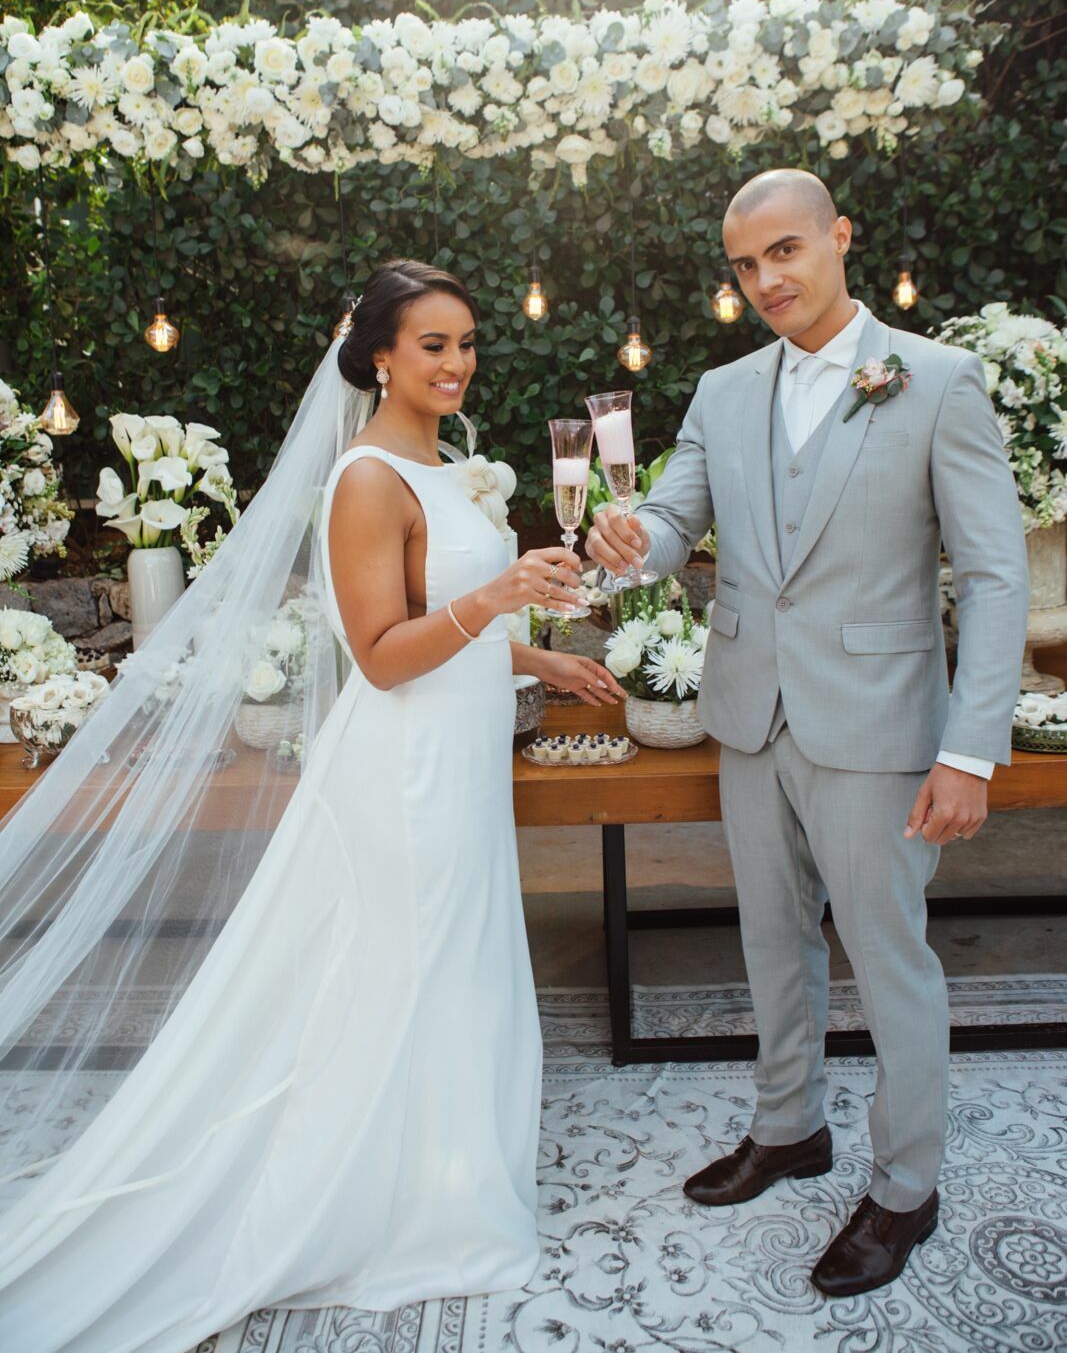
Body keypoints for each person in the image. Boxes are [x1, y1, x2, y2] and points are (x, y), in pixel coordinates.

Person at [0, 259, 625, 1351]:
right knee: (415, 966)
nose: (456, 363)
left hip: (459, 758)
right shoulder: (365, 478)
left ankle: (437, 1170)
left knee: (455, 964)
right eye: (432, 345)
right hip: (406, 771)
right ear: (378, 353)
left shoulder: (439, 461)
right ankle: (392, 1201)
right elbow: (382, 656)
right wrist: (500, 593)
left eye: (467, 342)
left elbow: (447, 625)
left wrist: (536, 658)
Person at [588, 170, 1028, 1296]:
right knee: (770, 943)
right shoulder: (723, 390)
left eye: (785, 250)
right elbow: (671, 521)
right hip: (749, 712)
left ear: (838, 237)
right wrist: (621, 540)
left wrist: (967, 748)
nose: (766, 278)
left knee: (888, 963)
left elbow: (988, 574)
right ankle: (787, 1126)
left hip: (879, 726)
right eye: (745, 265)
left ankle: (901, 1189)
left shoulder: (933, 380)